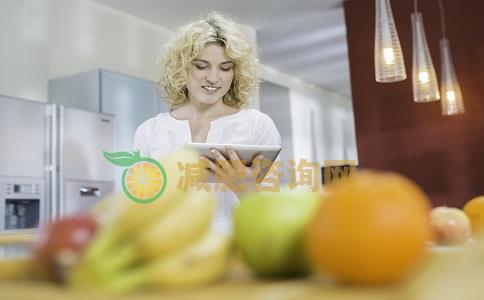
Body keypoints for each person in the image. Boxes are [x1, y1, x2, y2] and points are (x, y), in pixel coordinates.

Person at [133, 13, 281, 233]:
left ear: (236, 73)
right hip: (168, 254)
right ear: (182, 68)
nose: (213, 78)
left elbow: (273, 217)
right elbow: (138, 206)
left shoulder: (257, 126)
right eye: (202, 66)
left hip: (234, 250)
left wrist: (244, 189)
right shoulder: (150, 131)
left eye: (225, 68)